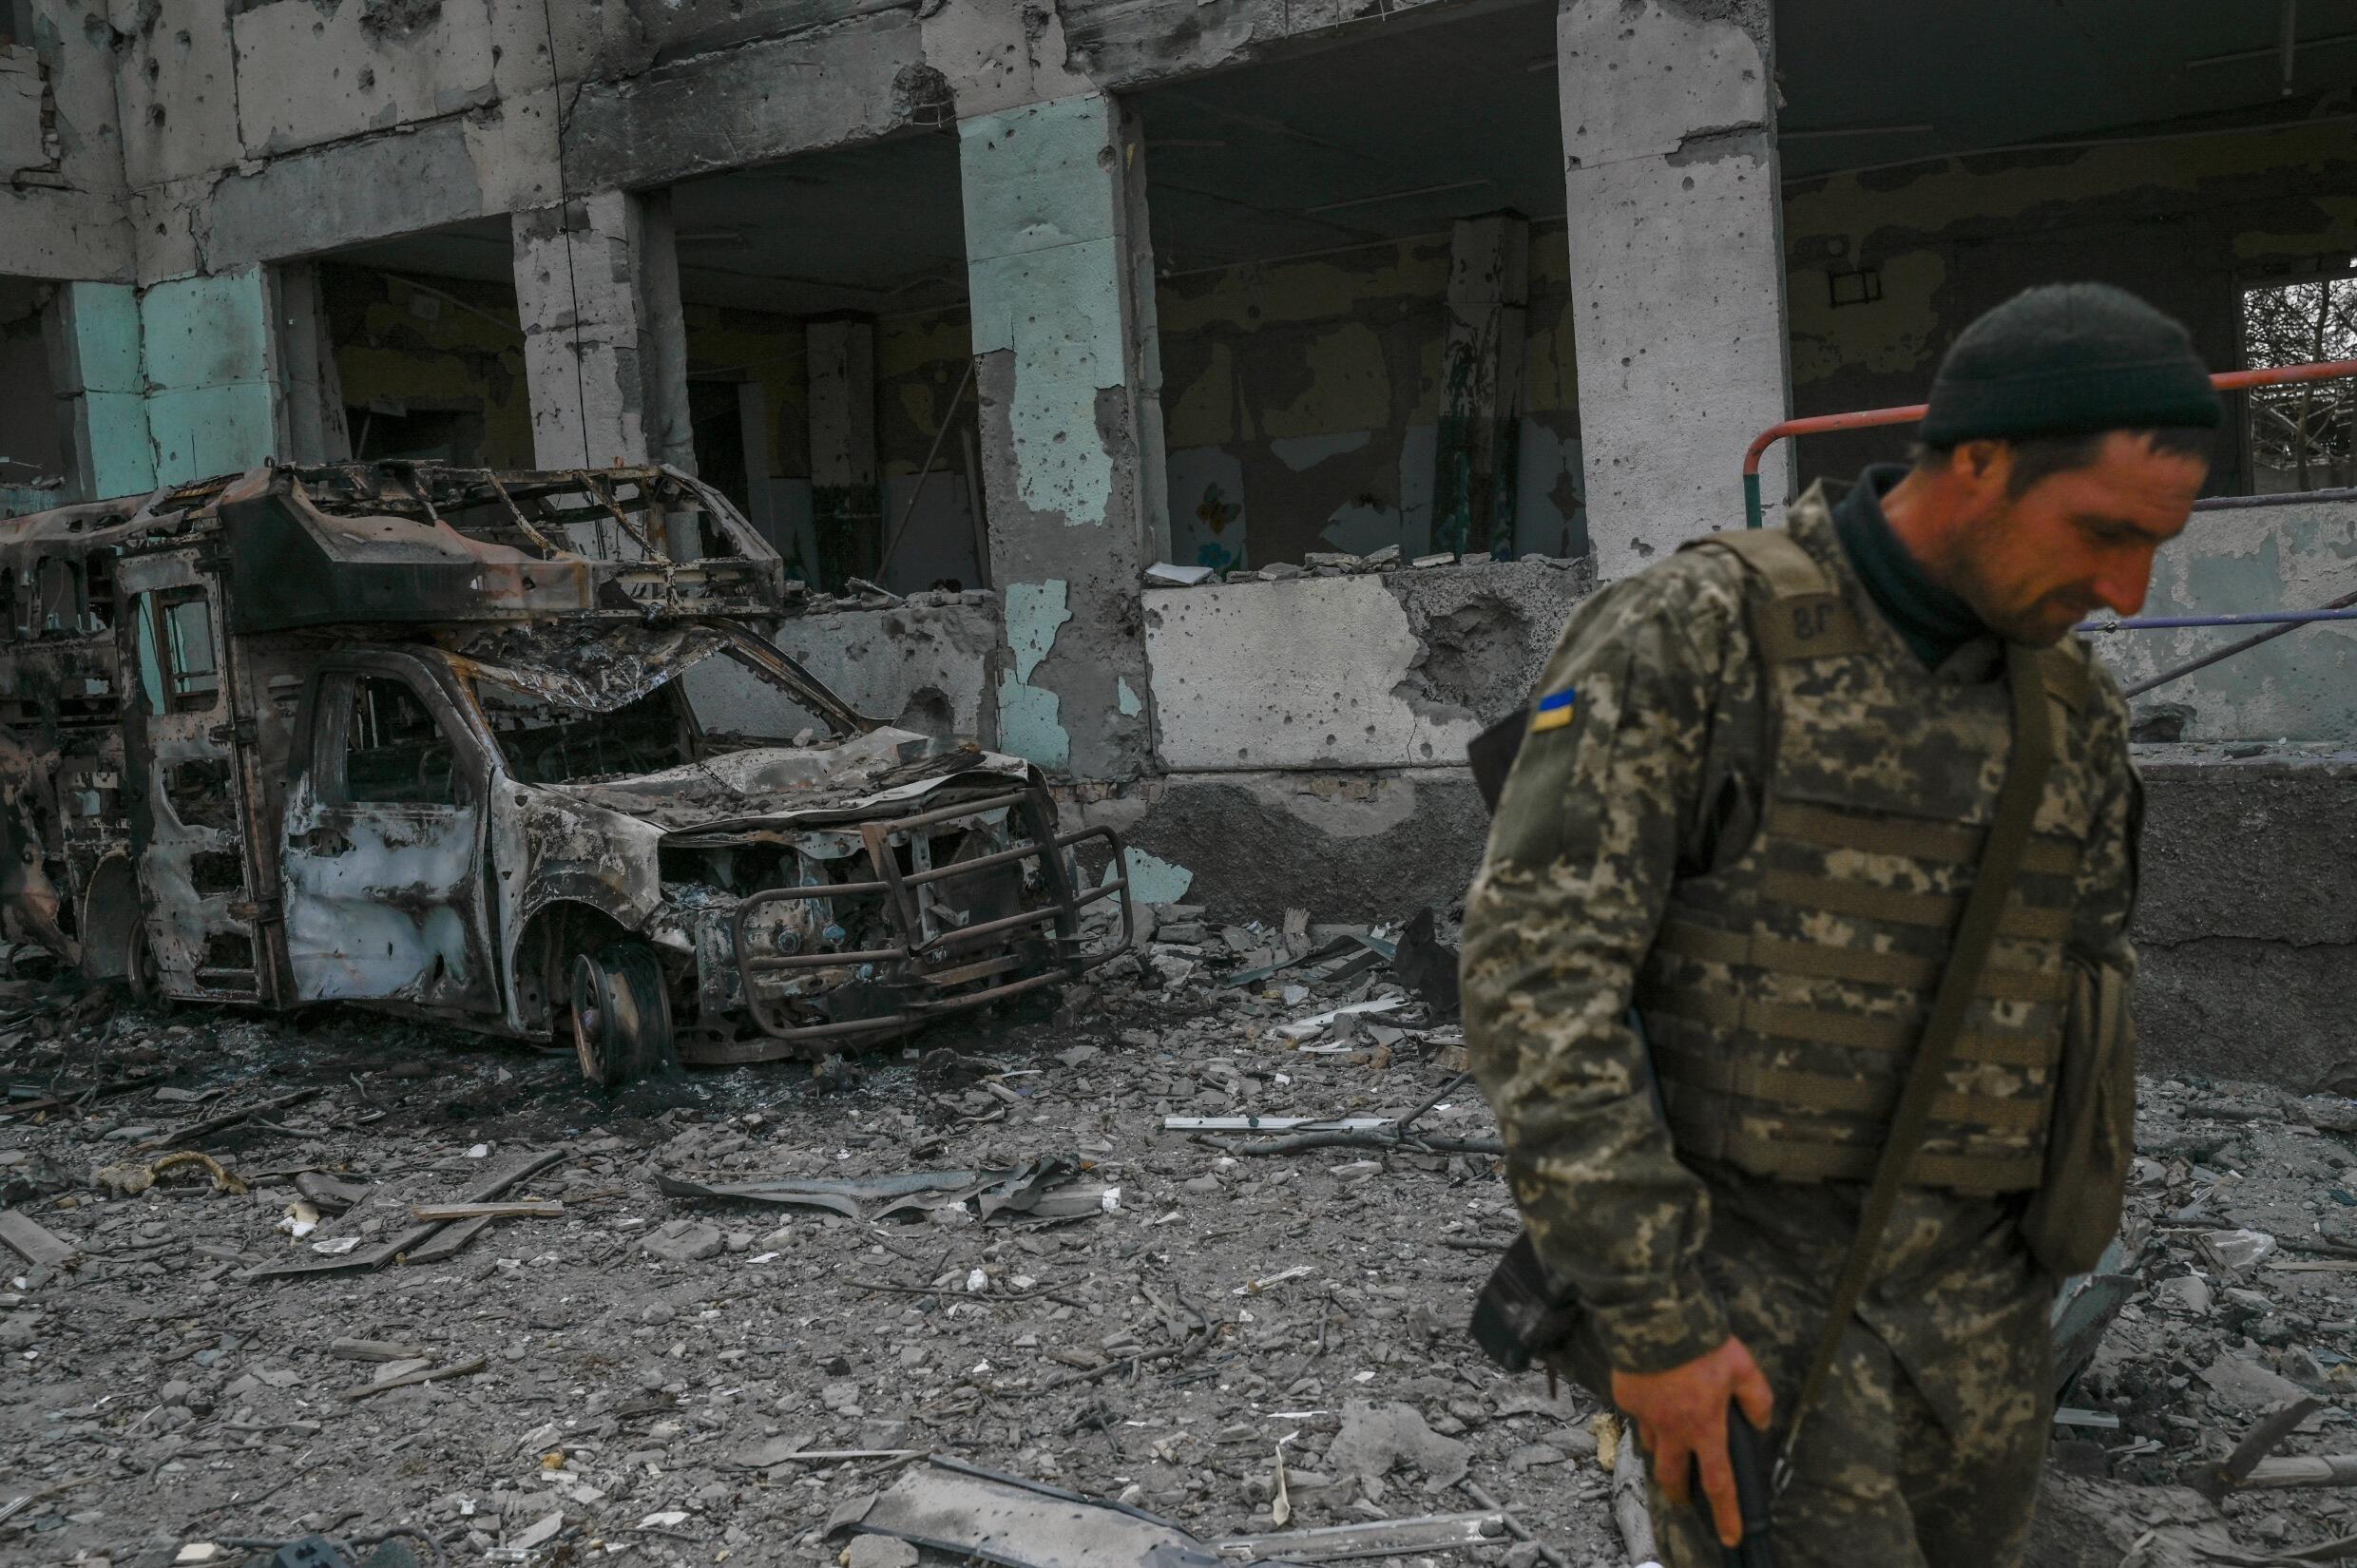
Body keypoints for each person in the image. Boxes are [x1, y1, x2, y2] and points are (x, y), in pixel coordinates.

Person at [1461, 282, 2221, 1567]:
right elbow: (1539, 986)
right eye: (2102, 532)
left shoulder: (2072, 710)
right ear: (1977, 462)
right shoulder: (1700, 638)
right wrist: (1657, 1323)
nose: (2130, 591)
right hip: (1752, 1306)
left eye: (2156, 544)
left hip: (1981, 1326)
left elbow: (2083, 990)